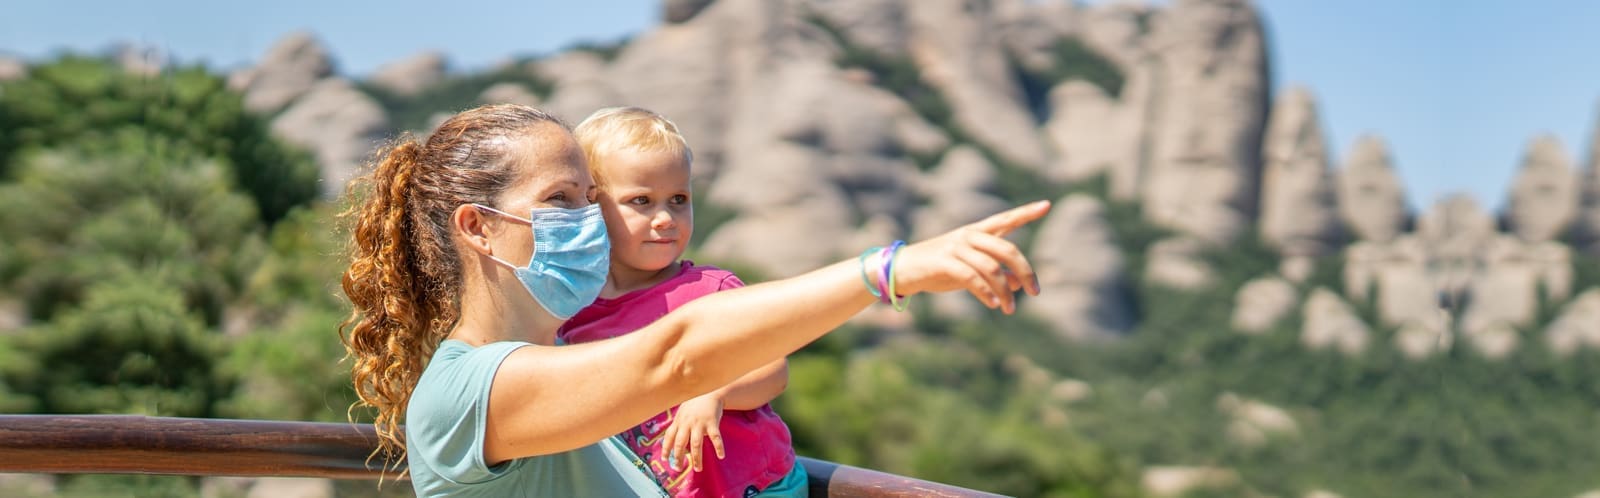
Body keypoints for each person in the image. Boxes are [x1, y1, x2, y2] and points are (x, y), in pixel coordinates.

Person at [339, 103, 1049, 497]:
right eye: (561, 201)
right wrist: (886, 270)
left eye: (591, 200)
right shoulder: (472, 390)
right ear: (477, 228)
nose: (591, 223)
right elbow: (677, 357)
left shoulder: (557, 359)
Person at [560, 106, 801, 498]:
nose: (665, 218)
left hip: (754, 488)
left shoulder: (710, 289)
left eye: (678, 198)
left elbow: (773, 369)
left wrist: (715, 392)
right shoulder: (573, 310)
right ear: (592, 207)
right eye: (641, 201)